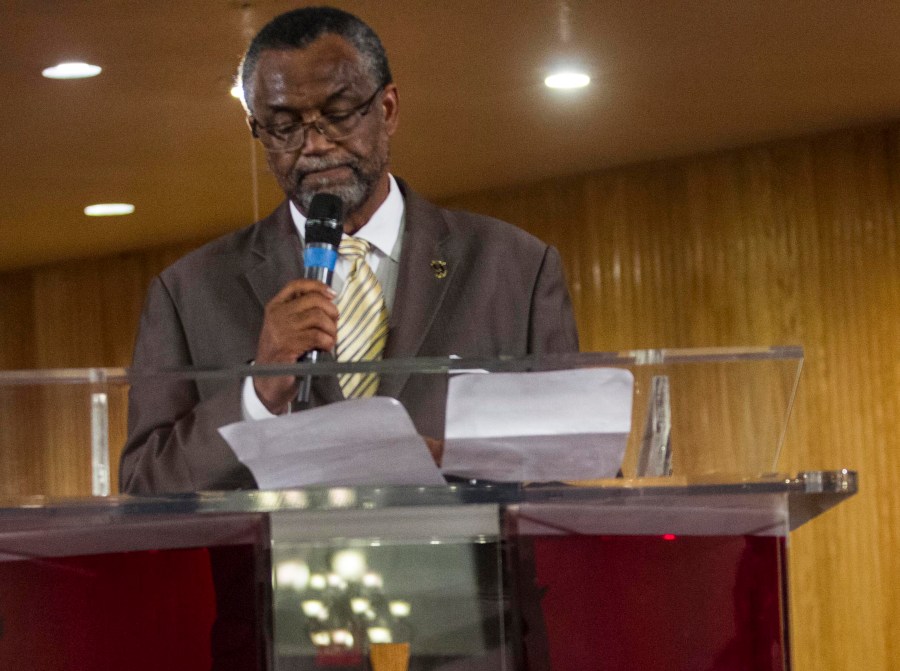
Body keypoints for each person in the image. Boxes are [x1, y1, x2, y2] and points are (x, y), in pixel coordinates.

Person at [119, 6, 578, 495]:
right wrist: (259, 393)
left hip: (473, 567)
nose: (314, 144)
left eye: (337, 115)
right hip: (274, 570)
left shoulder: (516, 268)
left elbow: (578, 469)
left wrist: (454, 457)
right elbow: (146, 486)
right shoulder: (188, 292)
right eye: (283, 126)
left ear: (387, 110)